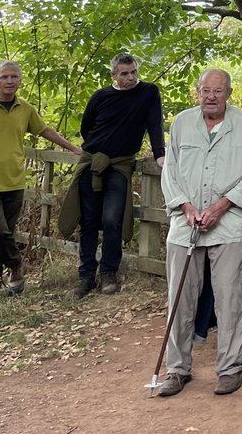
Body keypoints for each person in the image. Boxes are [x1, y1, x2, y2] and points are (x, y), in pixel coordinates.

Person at [156, 68, 242, 398]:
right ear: (197, 92)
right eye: (205, 90)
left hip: (228, 223)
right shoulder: (181, 123)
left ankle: (231, 368)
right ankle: (177, 369)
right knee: (180, 297)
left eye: (217, 91)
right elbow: (170, 173)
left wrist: (220, 207)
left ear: (229, 93)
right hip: (185, 223)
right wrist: (186, 207)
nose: (211, 97)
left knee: (229, 298)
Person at [0, 60, 81, 296]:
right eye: (4, 77)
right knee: (0, 232)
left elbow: (44, 130)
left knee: (5, 233)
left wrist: (73, 148)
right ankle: (16, 266)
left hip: (14, 182)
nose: (10, 81)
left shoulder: (25, 108)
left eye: (14, 77)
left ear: (20, 81)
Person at [62, 52, 165, 298]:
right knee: (88, 221)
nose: (131, 77)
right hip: (92, 163)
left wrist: (160, 154)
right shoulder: (101, 96)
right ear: (113, 75)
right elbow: (86, 128)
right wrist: (99, 149)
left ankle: (109, 272)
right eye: (125, 73)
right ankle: (86, 276)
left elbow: (155, 124)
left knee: (111, 219)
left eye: (134, 72)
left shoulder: (148, 93)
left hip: (120, 165)